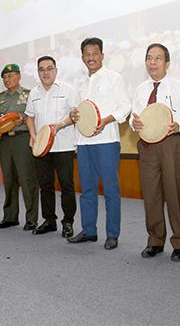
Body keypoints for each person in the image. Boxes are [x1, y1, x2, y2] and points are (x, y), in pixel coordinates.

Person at [131, 43, 180, 261]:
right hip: (147, 146)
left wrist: (179, 125)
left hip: (173, 144)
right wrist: (135, 125)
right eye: (149, 58)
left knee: (175, 193)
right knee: (151, 194)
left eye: (158, 58)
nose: (153, 62)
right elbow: (135, 119)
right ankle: (155, 240)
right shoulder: (140, 90)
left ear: (167, 63)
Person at [68, 37, 131, 250]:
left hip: (106, 141)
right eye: (87, 54)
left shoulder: (114, 78)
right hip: (83, 142)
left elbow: (125, 107)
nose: (91, 57)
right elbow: (79, 112)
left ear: (102, 55)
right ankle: (89, 230)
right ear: (83, 57)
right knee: (87, 189)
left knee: (111, 189)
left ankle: (112, 234)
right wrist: (73, 113)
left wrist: (105, 120)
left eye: (95, 53)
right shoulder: (80, 84)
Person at [25, 56, 78, 238]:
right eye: (41, 69)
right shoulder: (33, 93)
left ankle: (68, 222)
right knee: (45, 186)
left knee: (66, 185)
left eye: (49, 68)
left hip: (63, 145)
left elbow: (75, 116)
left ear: (56, 70)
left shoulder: (68, 90)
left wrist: (59, 125)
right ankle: (49, 220)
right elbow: (29, 117)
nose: (45, 72)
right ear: (38, 72)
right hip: (41, 148)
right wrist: (33, 135)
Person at [0, 63, 39, 231]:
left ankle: (31, 218)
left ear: (19, 76)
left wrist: (23, 119)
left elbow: (35, 117)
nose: (7, 79)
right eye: (4, 77)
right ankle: (10, 217)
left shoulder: (29, 95)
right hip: (5, 141)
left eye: (11, 76)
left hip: (23, 138)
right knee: (9, 179)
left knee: (27, 180)